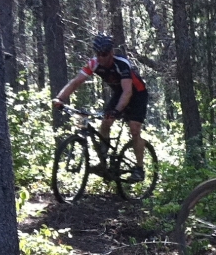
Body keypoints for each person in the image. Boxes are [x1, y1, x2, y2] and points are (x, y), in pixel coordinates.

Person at [53, 34, 149, 181]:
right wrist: (60, 98)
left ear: (111, 53)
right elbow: (76, 81)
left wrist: (117, 111)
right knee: (106, 121)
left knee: (134, 130)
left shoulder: (122, 64)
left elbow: (128, 92)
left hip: (137, 94)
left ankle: (139, 169)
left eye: (104, 54)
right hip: (120, 93)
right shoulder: (94, 63)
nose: (101, 58)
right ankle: (103, 161)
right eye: (98, 54)